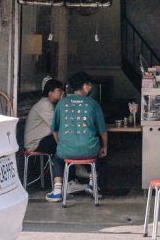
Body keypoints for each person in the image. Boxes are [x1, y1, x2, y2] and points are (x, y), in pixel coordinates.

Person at [45, 72, 108, 203]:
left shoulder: (61, 104)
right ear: (84, 86)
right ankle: (92, 184)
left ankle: (57, 191)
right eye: (89, 85)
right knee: (100, 155)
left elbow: (54, 129)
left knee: (58, 158)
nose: (90, 88)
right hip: (90, 150)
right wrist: (105, 146)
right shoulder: (93, 103)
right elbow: (102, 130)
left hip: (66, 151)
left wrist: (61, 144)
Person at [24, 79, 65, 154]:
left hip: (42, 140)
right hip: (35, 143)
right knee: (67, 142)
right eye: (59, 90)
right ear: (50, 92)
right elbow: (57, 125)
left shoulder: (49, 103)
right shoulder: (45, 105)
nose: (62, 93)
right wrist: (63, 102)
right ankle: (61, 165)